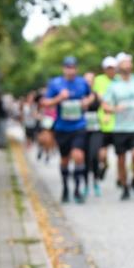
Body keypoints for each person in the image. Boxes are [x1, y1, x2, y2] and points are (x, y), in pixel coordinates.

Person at [41, 56, 94, 204]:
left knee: (78, 156)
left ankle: (77, 189)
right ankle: (65, 188)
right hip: (62, 127)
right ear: (63, 68)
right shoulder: (55, 83)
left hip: (79, 126)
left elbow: (91, 96)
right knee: (64, 160)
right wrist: (59, 98)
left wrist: (86, 102)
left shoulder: (82, 82)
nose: (70, 70)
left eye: (73, 67)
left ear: (76, 69)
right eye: (68, 67)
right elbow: (45, 102)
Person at [103, 52, 134, 201]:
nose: (127, 65)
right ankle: (124, 186)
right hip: (120, 128)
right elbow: (105, 106)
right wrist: (115, 109)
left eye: (129, 62)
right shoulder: (114, 85)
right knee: (121, 160)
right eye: (124, 63)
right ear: (119, 66)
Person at [91, 56, 118, 185]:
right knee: (102, 153)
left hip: (119, 122)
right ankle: (105, 165)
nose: (111, 71)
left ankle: (121, 177)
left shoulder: (119, 80)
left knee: (120, 154)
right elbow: (102, 98)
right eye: (108, 68)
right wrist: (107, 111)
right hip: (104, 120)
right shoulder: (99, 80)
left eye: (113, 68)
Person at [81, 72, 104, 198]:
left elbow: (106, 107)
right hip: (82, 130)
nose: (88, 83)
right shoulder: (79, 95)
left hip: (96, 128)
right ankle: (85, 184)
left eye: (91, 80)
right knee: (85, 157)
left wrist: (106, 115)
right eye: (86, 80)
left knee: (94, 154)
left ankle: (96, 181)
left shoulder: (97, 95)